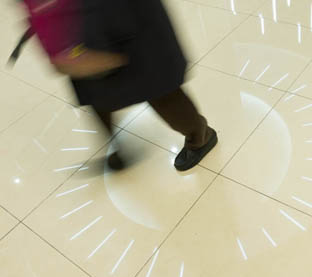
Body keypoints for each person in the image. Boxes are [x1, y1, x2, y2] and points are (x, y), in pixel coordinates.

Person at [18, 0, 218, 171]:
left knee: (158, 87)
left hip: (122, 16)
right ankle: (115, 146)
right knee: (97, 94)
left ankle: (200, 137)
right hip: (77, 27)